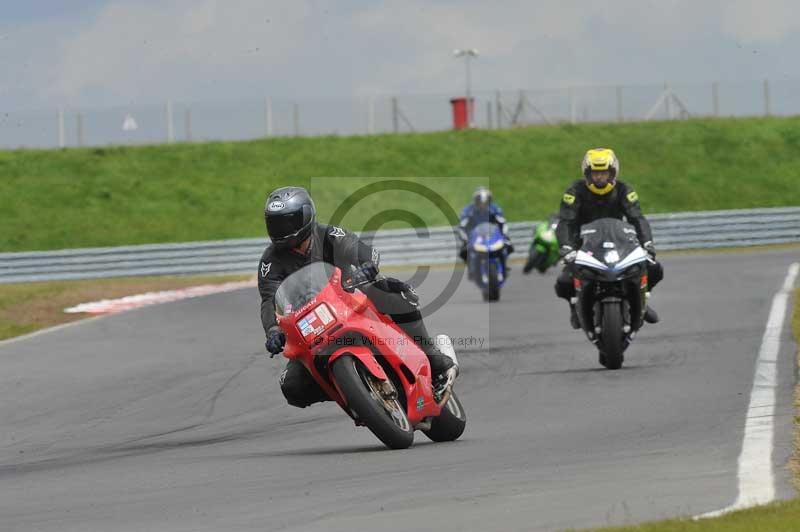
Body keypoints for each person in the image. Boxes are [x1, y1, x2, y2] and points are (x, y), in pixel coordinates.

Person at [258, 186, 455, 408]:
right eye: (275, 223)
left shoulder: (330, 235)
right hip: (311, 327)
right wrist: (273, 331)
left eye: (287, 222)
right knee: (292, 387)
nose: (281, 230)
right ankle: (352, 390)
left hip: (350, 299)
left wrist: (368, 266)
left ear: (305, 216)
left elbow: (359, 249)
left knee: (391, 290)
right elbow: (269, 299)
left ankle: (432, 356)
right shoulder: (270, 261)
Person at [554, 148, 663, 328]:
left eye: (603, 172)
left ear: (613, 172)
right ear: (587, 173)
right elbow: (565, 222)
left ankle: (642, 300)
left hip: (619, 242)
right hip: (584, 246)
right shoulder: (574, 192)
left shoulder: (624, 190)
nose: (599, 177)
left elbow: (637, 218)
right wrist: (566, 247)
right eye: (595, 173)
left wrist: (648, 244)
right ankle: (575, 307)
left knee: (655, 268)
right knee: (564, 281)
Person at [457, 187, 514, 272]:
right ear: (476, 200)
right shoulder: (468, 210)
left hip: (492, 234)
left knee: (508, 246)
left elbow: (502, 222)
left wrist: (504, 235)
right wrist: (465, 239)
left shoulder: (495, 209)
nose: (483, 204)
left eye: (486, 201)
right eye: (480, 201)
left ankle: (503, 264)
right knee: (463, 251)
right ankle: (471, 266)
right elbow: (462, 226)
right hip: (475, 235)